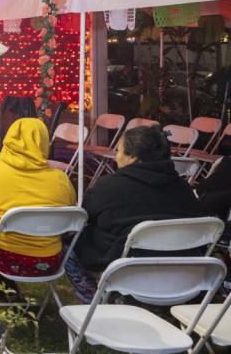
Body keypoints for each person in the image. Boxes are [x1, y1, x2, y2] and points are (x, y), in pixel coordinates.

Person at [64, 125, 202, 302]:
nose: (116, 156)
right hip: (181, 276)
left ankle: (97, 300)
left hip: (122, 271)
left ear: (132, 156)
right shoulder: (184, 190)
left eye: (119, 150)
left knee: (69, 244)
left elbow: (84, 218)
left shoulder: (108, 187)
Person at [0, 118, 75, 290]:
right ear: (44, 142)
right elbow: (69, 220)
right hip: (44, 262)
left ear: (9, 138)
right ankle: (3, 283)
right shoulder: (61, 180)